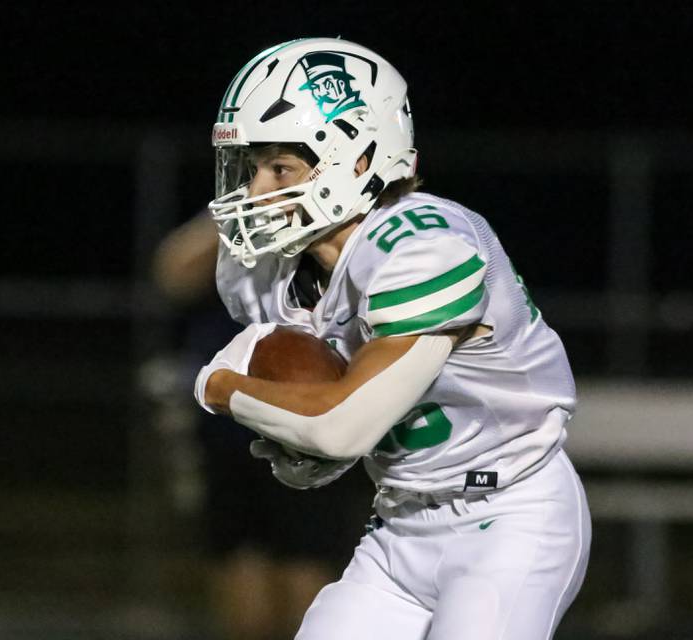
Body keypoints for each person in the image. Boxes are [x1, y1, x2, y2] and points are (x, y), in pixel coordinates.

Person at [195, 37, 591, 640]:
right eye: (253, 168)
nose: (255, 193)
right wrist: (311, 451)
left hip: (511, 518)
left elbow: (342, 423)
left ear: (359, 162)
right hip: (399, 525)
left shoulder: (425, 246)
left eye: (281, 167)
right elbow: (342, 424)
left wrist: (217, 384)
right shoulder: (275, 271)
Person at [152, 211, 373, 640]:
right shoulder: (240, 222)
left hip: (306, 427)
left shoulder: (332, 227)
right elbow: (173, 273)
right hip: (229, 432)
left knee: (306, 574)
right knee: (239, 567)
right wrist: (239, 217)